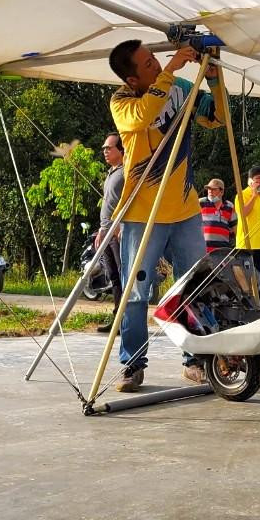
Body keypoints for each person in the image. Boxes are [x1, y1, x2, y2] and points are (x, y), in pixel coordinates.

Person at [108, 40, 228, 392]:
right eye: (148, 64)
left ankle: (197, 359)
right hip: (143, 212)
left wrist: (214, 79)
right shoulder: (123, 102)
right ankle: (132, 364)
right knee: (136, 292)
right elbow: (144, 115)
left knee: (195, 287)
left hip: (185, 208)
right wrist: (172, 69)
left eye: (155, 59)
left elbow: (217, 117)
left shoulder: (180, 89)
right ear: (132, 79)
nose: (158, 65)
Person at [94, 132, 125, 333]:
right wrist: (101, 230)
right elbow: (108, 203)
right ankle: (117, 320)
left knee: (124, 276)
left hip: (118, 232)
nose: (105, 151)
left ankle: (126, 321)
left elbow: (131, 200)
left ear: (121, 150)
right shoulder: (111, 172)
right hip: (106, 231)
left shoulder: (126, 172)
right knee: (113, 276)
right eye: (104, 148)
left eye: (109, 147)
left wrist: (120, 226)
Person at [235, 165, 260, 311]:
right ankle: (247, 309)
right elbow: (243, 213)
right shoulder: (242, 195)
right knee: (247, 281)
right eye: (258, 178)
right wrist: (253, 195)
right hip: (247, 246)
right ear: (250, 181)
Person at [198, 178, 236, 255]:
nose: (210, 191)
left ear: (222, 192)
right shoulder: (200, 203)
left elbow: (235, 228)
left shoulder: (229, 206)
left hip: (223, 251)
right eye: (208, 189)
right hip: (203, 249)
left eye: (214, 189)